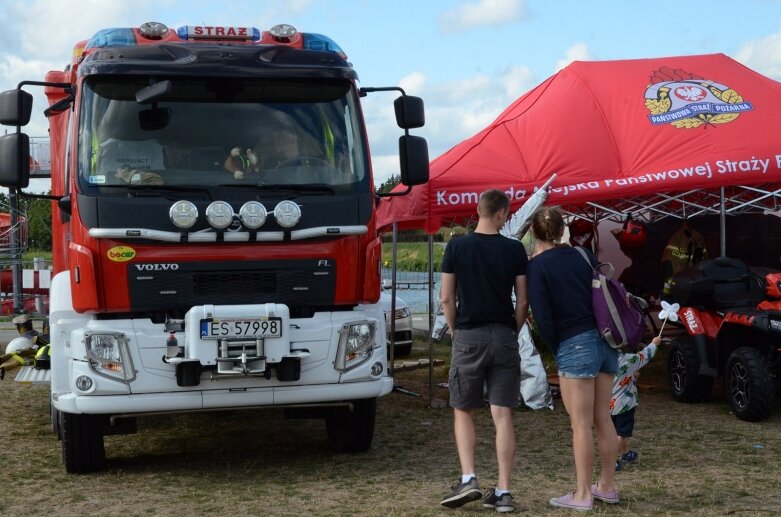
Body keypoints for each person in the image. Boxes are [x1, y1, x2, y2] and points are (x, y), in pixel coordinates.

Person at [438, 189, 528, 513]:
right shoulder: (515, 249)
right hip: (504, 335)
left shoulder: (457, 246)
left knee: (463, 408)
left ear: (478, 210)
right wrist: (512, 330)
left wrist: (454, 330)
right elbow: (523, 299)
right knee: (502, 415)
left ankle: (468, 477)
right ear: (503, 214)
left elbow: (447, 297)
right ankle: (503, 491)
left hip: (469, 334)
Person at [526, 206, 620, 512]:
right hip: (605, 341)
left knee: (580, 426)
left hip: (573, 343)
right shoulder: (583, 255)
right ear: (563, 228)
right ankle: (606, 486)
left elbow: (541, 315)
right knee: (603, 418)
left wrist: (556, 348)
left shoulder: (538, 266)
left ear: (535, 233)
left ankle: (582, 494)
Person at [611, 336, 661, 471]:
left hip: (607, 405)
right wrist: (654, 343)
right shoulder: (627, 360)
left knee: (612, 433)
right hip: (624, 405)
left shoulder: (602, 361)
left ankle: (627, 454)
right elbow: (645, 356)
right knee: (621, 434)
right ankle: (612, 460)